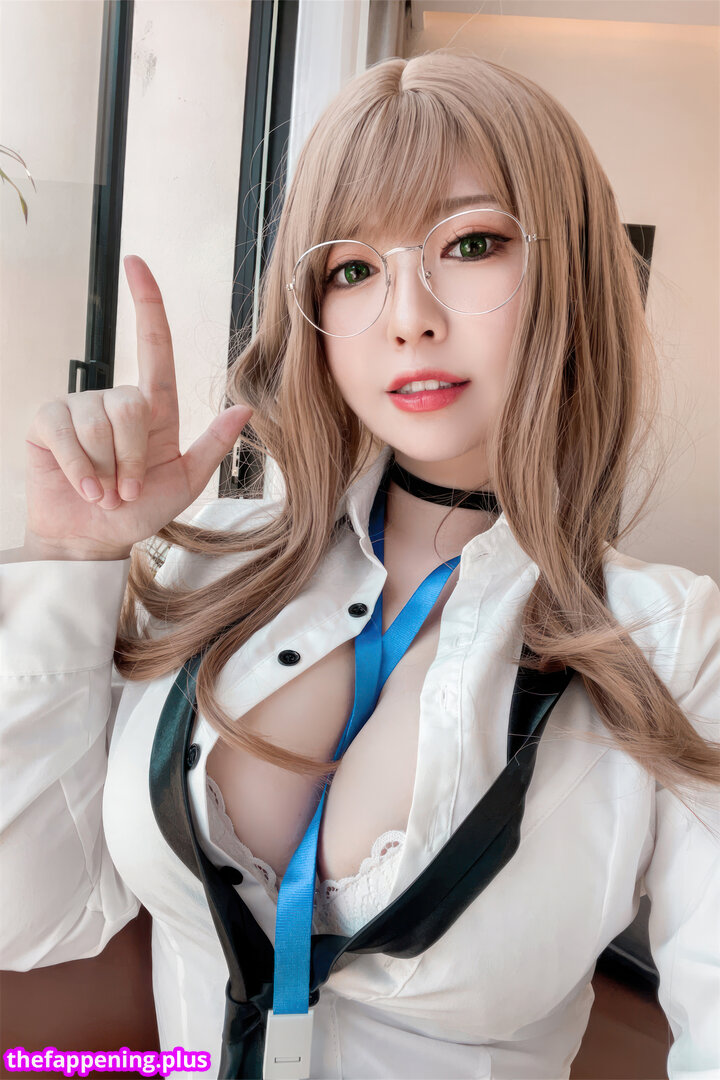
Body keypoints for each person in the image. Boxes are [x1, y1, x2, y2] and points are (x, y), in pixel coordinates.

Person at [1, 48, 719, 1080]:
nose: (407, 313)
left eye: (470, 244)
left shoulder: (670, 642)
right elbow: (29, 918)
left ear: (570, 274)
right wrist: (73, 557)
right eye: (353, 269)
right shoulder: (212, 573)